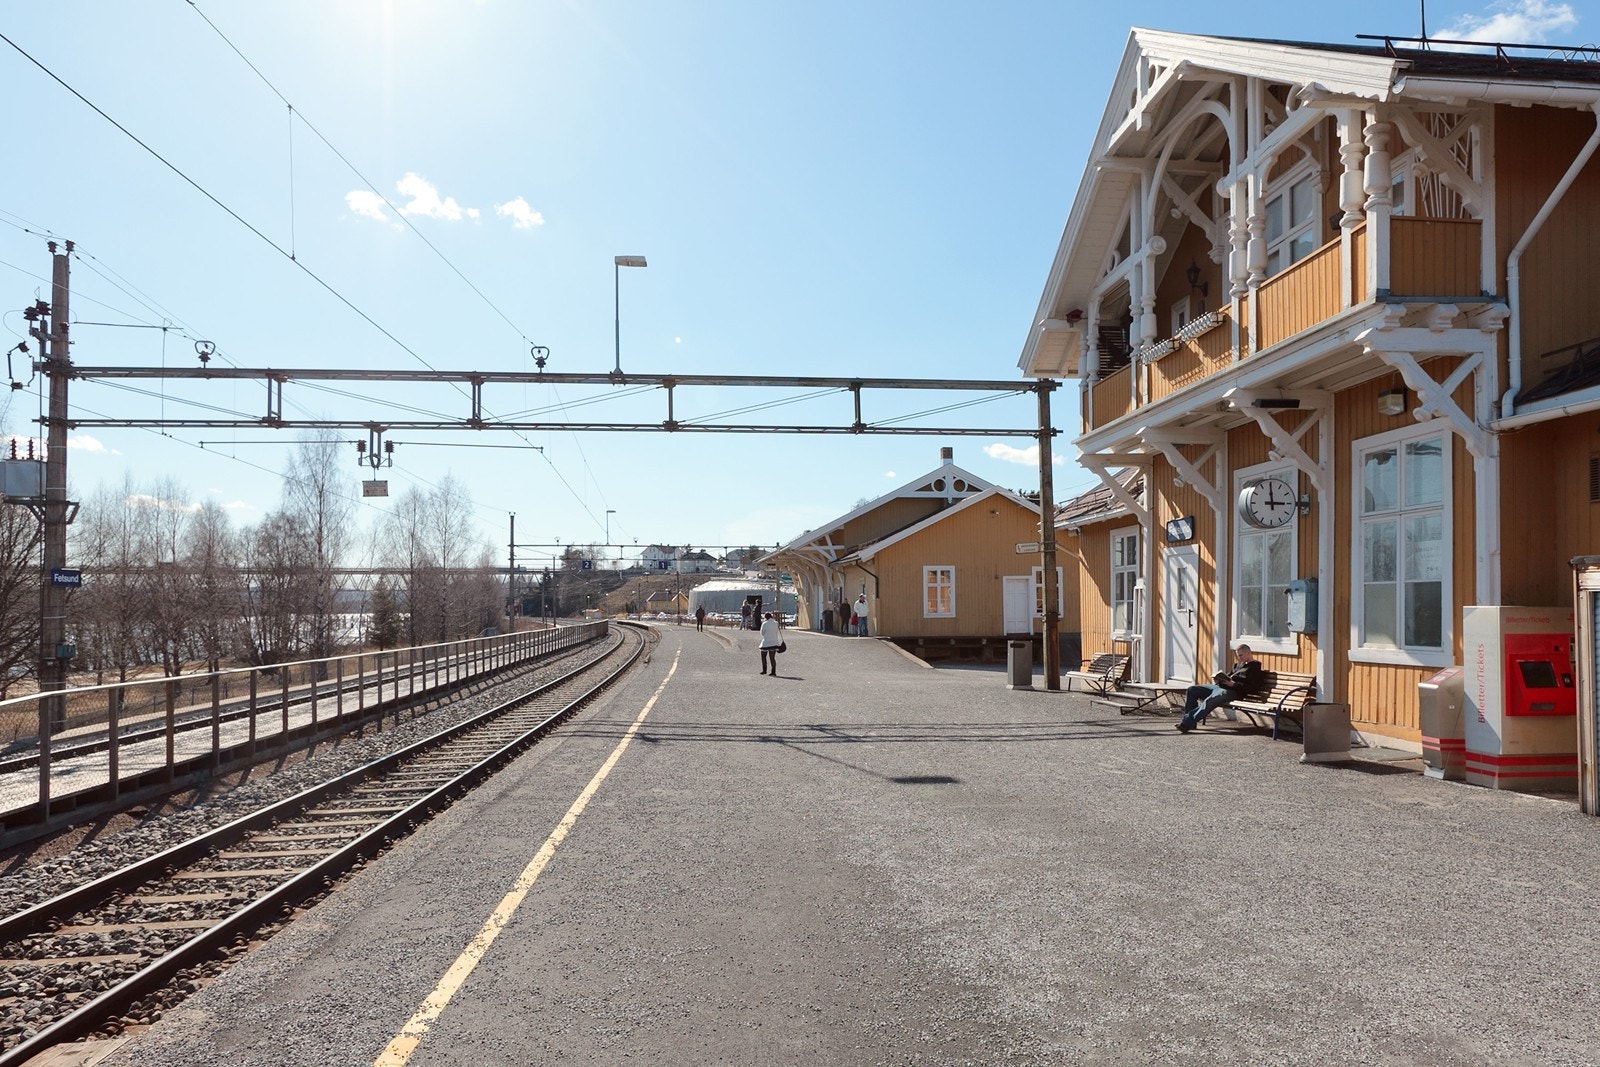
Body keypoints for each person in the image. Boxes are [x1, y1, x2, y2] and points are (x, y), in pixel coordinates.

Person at [1176, 644, 1264, 733]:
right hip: (1220, 687)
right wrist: (1219, 679)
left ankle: (1186, 723)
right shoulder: (1238, 665)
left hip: (1233, 691)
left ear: (1248, 653)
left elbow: (1253, 688)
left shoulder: (1255, 668)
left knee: (1210, 700)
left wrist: (1234, 685)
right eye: (1237, 655)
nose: (1239, 657)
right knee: (1192, 689)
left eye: (1240, 655)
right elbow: (1229, 675)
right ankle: (1190, 723)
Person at [758, 611, 783, 676]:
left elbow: (762, 633)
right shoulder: (776, 623)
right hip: (774, 642)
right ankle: (773, 671)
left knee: (763, 657)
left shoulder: (764, 623)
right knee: (772, 658)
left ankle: (764, 670)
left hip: (766, 643)